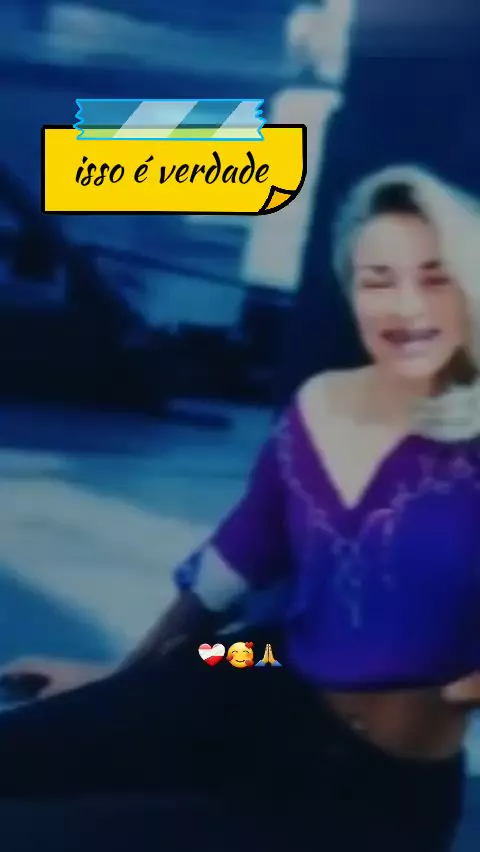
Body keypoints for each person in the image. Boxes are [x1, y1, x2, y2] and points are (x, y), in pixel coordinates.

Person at [1, 164, 480, 852]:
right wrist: (128, 678)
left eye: (433, 279)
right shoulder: (322, 405)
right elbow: (234, 563)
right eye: (378, 280)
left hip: (369, 784)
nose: (405, 307)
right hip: (257, 665)